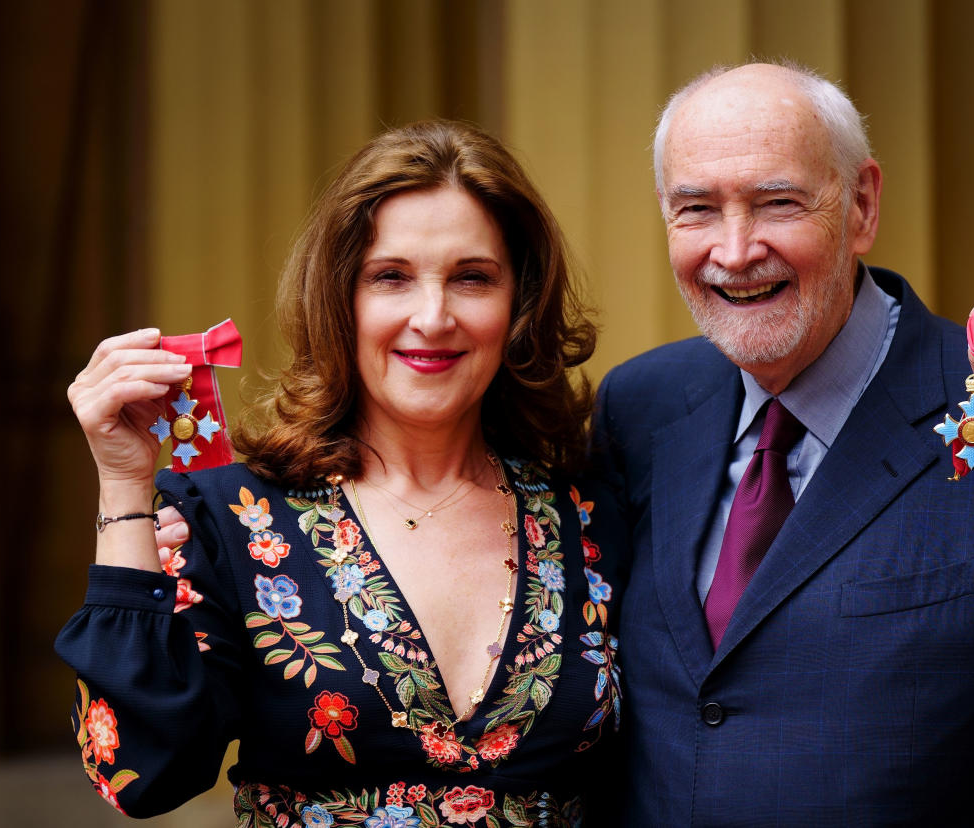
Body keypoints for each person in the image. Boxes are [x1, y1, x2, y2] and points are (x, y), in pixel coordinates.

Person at [588, 61, 974, 824]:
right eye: (698, 209)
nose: (736, 250)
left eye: (778, 203)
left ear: (862, 205)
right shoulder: (639, 410)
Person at [56, 120, 623, 826]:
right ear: (339, 300)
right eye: (391, 277)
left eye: (472, 278)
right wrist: (121, 485)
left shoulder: (591, 513)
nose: (433, 315)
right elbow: (138, 774)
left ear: (520, 305)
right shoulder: (229, 519)